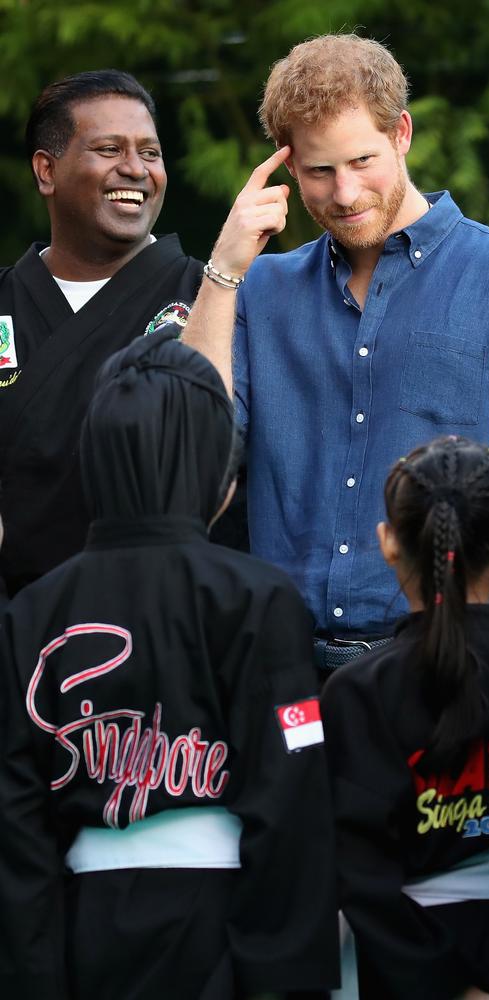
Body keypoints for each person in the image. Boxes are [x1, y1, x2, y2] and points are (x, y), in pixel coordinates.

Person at [182, 33, 489, 672]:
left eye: (362, 160)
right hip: (279, 668)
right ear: (289, 168)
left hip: (451, 661)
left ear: (401, 133)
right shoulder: (260, 289)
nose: (344, 194)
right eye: (319, 171)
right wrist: (223, 271)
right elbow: (188, 451)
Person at [0, 329, 339, 1000]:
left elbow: (16, 825)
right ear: (218, 465)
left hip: (77, 934)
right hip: (225, 932)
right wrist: (281, 977)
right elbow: (291, 798)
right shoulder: (259, 600)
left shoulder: (31, 613)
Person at [320, 436, 489, 999]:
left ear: (388, 543)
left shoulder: (357, 692)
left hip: (407, 968)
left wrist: (447, 986)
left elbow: (359, 874)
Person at [0, 69, 205, 598]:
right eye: (109, 149)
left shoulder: (212, 296)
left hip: (169, 614)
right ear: (46, 171)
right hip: (18, 630)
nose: (135, 169)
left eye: (151, 153)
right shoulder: (4, 301)